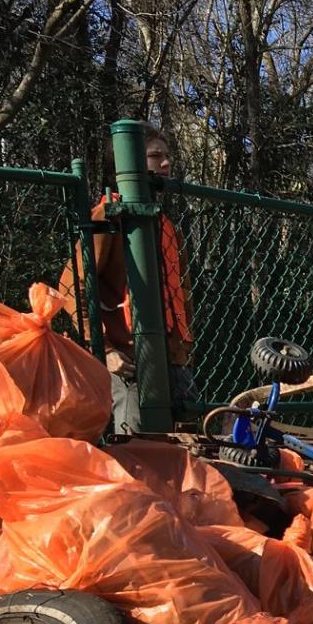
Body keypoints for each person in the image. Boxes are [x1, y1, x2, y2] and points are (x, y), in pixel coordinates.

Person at [57, 126, 194, 434]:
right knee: (138, 446)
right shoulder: (108, 215)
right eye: (156, 156)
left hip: (175, 359)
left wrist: (184, 350)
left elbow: (182, 292)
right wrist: (104, 349)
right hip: (130, 359)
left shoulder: (167, 224)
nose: (166, 164)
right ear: (126, 163)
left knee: (187, 447)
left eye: (168, 156)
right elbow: (72, 286)